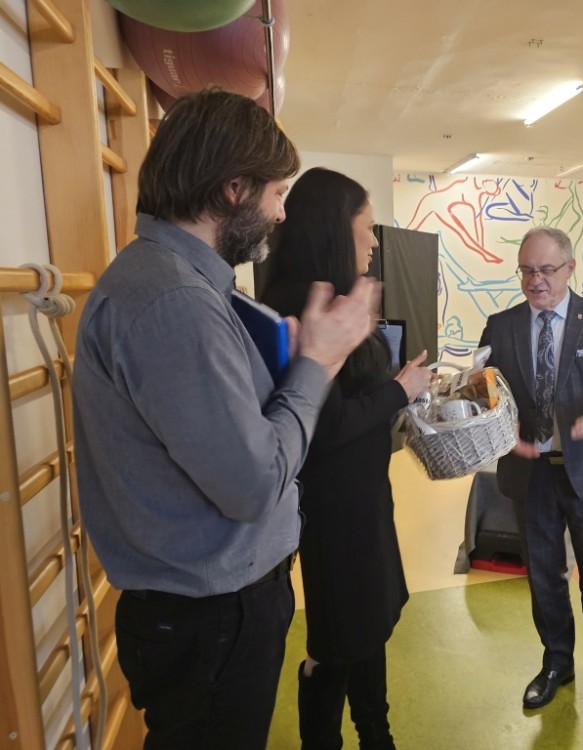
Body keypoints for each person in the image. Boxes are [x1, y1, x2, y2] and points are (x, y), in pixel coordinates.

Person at [73, 89, 378, 750]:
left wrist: (285, 364)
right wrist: (318, 364)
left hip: (211, 612)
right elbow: (252, 483)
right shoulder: (173, 301)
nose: (282, 212)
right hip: (210, 618)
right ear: (233, 189)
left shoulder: (178, 282)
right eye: (277, 193)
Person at [260, 168, 431, 750]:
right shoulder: (299, 307)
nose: (375, 242)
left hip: (362, 499)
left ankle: (376, 734)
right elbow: (326, 426)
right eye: (367, 227)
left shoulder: (339, 298)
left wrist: (399, 391)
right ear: (337, 229)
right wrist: (400, 390)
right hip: (332, 511)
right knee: (338, 641)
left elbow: (353, 401)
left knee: (368, 627)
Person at [479, 226, 583, 734]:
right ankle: (557, 664)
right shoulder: (500, 326)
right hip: (531, 475)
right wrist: (502, 433)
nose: (536, 281)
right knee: (544, 580)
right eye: (526, 271)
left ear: (570, 268)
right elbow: (485, 395)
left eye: (546, 270)